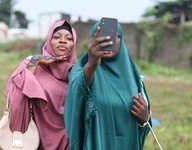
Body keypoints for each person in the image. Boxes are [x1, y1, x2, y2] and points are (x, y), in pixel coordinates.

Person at [64, 19, 152, 150]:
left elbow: (141, 126)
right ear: (92, 40)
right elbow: (77, 95)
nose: (108, 40)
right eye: (100, 36)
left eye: (114, 36)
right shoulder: (83, 70)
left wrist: (144, 119)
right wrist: (92, 63)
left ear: (121, 41)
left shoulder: (133, 77)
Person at [4, 20, 77, 150]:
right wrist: (35, 62)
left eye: (69, 38)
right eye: (56, 37)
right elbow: (17, 99)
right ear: (49, 40)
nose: (62, 41)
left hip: (68, 142)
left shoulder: (78, 71)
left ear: (73, 43)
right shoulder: (31, 64)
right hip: (35, 141)